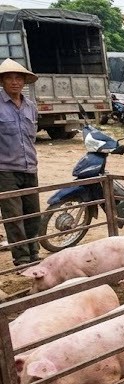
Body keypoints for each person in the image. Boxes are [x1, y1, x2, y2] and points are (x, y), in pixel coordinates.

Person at [0, 58, 40, 267]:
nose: (14, 82)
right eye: (9, 78)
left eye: (18, 78)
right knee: (13, 215)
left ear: (24, 81)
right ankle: (22, 257)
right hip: (5, 169)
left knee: (33, 212)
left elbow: (31, 138)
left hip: (29, 167)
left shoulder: (30, 106)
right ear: (2, 82)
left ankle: (34, 252)